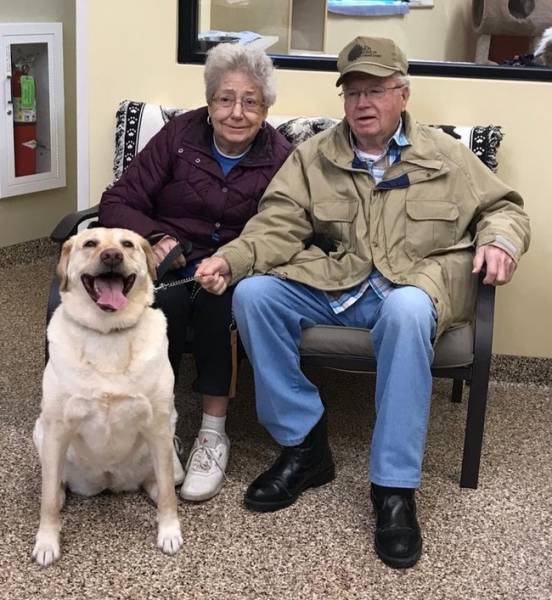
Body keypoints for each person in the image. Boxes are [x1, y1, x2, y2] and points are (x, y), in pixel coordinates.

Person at [195, 36, 531, 568]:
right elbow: (276, 227)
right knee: (255, 295)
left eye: (376, 90)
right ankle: (305, 446)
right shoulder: (313, 157)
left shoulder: (445, 156)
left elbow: (505, 208)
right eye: (352, 93)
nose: (363, 104)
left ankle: (393, 489)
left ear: (403, 94)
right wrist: (231, 262)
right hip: (337, 284)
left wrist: (498, 242)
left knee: (406, 310)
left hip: (409, 288)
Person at [98, 43, 292, 502]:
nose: (237, 112)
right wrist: (158, 239)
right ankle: (160, 431)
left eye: (251, 101)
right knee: (162, 302)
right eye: (226, 99)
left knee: (219, 308)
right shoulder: (178, 136)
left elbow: (291, 226)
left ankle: (212, 433)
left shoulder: (283, 155)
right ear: (209, 103)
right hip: (173, 260)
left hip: (235, 264)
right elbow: (118, 201)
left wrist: (233, 260)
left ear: (266, 108)